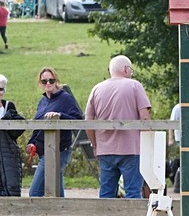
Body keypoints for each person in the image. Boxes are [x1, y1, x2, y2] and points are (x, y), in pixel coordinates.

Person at [85, 55, 152, 199]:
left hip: (105, 149)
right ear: (126, 69)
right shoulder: (134, 85)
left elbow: (88, 121)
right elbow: (145, 118)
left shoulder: (97, 89)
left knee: (107, 191)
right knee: (133, 191)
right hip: (131, 149)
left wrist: (95, 144)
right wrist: (147, 145)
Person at [28, 67, 84, 197]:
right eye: (44, 81)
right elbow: (38, 126)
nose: (48, 83)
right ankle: (61, 215)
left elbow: (78, 120)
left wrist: (60, 115)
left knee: (35, 192)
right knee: (57, 191)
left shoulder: (66, 98)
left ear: (56, 80)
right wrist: (32, 143)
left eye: (51, 80)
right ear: (40, 83)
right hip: (43, 150)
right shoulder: (42, 101)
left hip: (59, 150)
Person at [0, 74, 25, 196]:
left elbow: (16, 131)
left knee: (9, 180)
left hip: (7, 150)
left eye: (1, 89)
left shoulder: (9, 106)